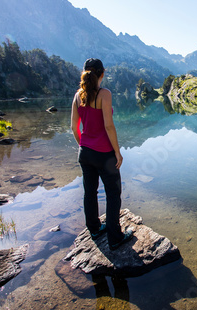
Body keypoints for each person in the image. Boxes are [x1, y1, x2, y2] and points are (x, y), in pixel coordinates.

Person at [71, 58, 132, 250]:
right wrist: (117, 152)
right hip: (104, 154)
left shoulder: (78, 95)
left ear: (84, 73)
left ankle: (95, 229)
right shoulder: (104, 94)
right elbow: (108, 125)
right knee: (113, 194)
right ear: (102, 73)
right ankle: (115, 238)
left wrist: (83, 145)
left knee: (90, 192)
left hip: (85, 153)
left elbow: (74, 127)